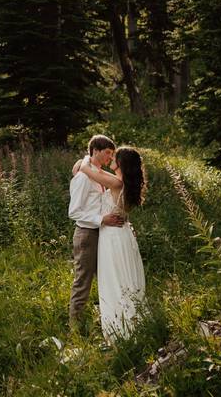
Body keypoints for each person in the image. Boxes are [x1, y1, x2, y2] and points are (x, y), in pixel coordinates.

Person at [76, 146, 147, 341]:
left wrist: (85, 159)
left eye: (114, 157)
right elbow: (98, 172)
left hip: (112, 238)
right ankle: (132, 324)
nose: (111, 159)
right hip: (123, 235)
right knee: (125, 279)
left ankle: (119, 331)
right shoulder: (127, 184)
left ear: (122, 163)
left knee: (114, 281)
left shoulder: (116, 183)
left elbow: (86, 170)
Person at [67, 134, 127, 330]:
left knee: (105, 277)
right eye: (108, 153)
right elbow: (74, 211)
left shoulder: (97, 174)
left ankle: (108, 319)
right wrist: (101, 219)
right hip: (86, 234)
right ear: (95, 151)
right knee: (83, 280)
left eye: (112, 154)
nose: (110, 157)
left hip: (102, 233)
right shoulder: (84, 177)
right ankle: (74, 326)